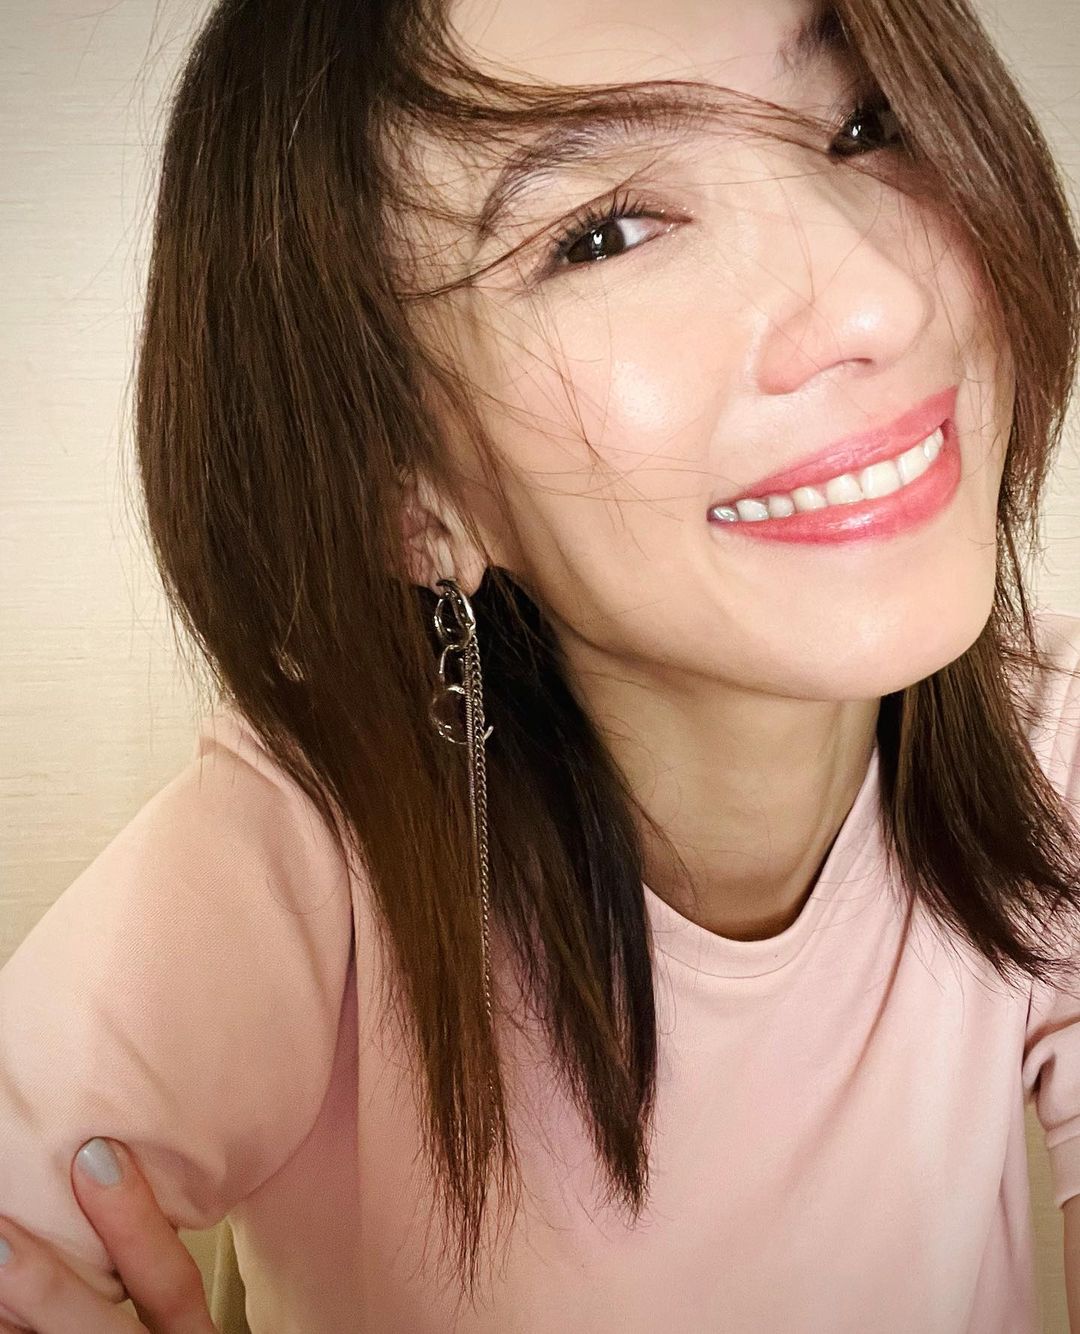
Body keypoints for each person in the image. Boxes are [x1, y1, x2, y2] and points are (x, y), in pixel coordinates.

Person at [3, 0, 1080, 1328]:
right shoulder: (314, 854)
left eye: (867, 126)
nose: (879, 297)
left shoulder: (1052, 748)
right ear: (409, 493)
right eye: (606, 233)